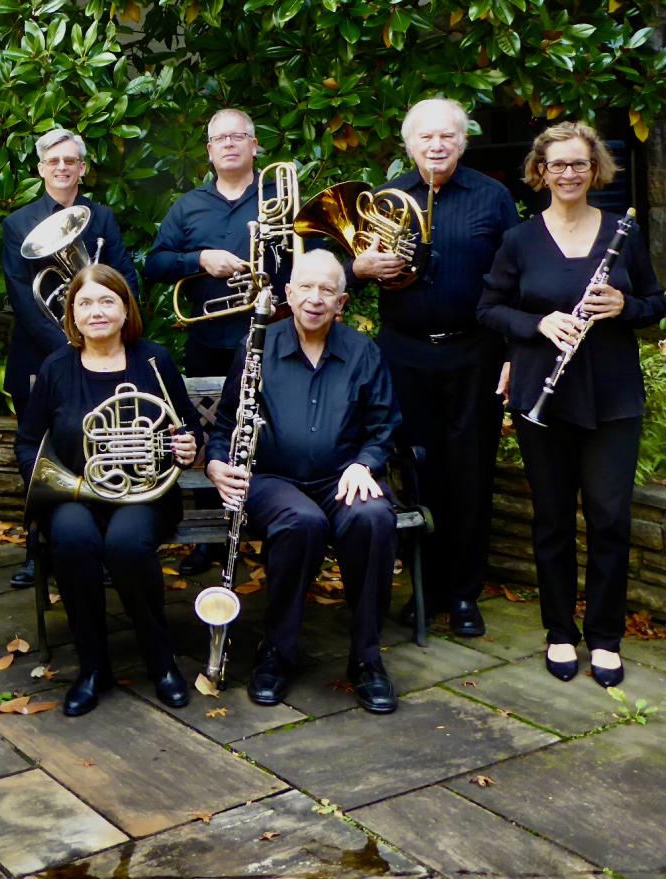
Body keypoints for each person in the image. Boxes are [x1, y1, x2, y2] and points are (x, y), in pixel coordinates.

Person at [477, 122, 663, 687]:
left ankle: (606, 638)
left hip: (611, 393)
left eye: (579, 164)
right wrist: (539, 322)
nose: (568, 174)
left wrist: (624, 305)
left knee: (610, 517)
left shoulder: (622, 233)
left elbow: (656, 303)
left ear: (595, 169)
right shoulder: (520, 240)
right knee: (553, 520)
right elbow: (489, 309)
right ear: (540, 172)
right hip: (542, 392)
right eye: (557, 165)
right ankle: (560, 631)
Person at [348, 97, 518, 638]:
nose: (437, 145)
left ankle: (464, 595)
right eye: (426, 137)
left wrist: (513, 353)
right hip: (406, 352)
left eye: (447, 136)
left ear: (463, 141)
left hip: (476, 351)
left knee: (471, 471)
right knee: (414, 472)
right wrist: (360, 267)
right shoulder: (385, 198)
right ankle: (426, 588)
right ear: (410, 144)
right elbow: (348, 277)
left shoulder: (492, 197)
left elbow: (515, 280)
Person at [206, 250, 402, 714]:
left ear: (342, 302)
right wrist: (216, 464)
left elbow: (384, 425)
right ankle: (276, 652)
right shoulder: (258, 346)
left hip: (342, 477)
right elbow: (226, 425)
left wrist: (366, 464)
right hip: (274, 480)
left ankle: (367, 658)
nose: (315, 299)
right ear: (287, 294)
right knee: (302, 522)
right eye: (306, 288)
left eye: (327, 291)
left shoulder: (362, 351)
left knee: (373, 518)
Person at [15, 264, 201, 716]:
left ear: (125, 309)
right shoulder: (57, 367)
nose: (96, 312)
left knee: (125, 545)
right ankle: (92, 667)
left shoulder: (153, 360)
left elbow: (186, 426)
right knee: (74, 541)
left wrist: (186, 444)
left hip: (144, 493)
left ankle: (161, 661)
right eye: (85, 303)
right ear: (72, 315)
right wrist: (53, 482)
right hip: (76, 494)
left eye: (106, 301)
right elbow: (27, 441)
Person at [145, 108, 293, 577]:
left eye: (238, 136)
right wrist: (200, 258)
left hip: (268, 336)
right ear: (208, 150)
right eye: (219, 138)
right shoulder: (187, 206)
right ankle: (211, 536)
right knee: (210, 433)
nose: (229, 144)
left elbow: (302, 267)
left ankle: (270, 526)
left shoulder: (280, 203)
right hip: (209, 338)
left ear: (255, 146)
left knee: (270, 429)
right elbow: (155, 264)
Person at [3, 128, 140, 588]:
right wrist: (69, 346)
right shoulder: (17, 223)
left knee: (101, 444)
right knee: (41, 451)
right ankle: (36, 551)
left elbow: (124, 278)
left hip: (101, 352)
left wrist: (111, 329)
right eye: (53, 161)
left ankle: (99, 543)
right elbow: (24, 297)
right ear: (41, 168)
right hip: (45, 356)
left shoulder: (103, 218)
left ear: (82, 168)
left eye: (71, 161)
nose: (62, 168)